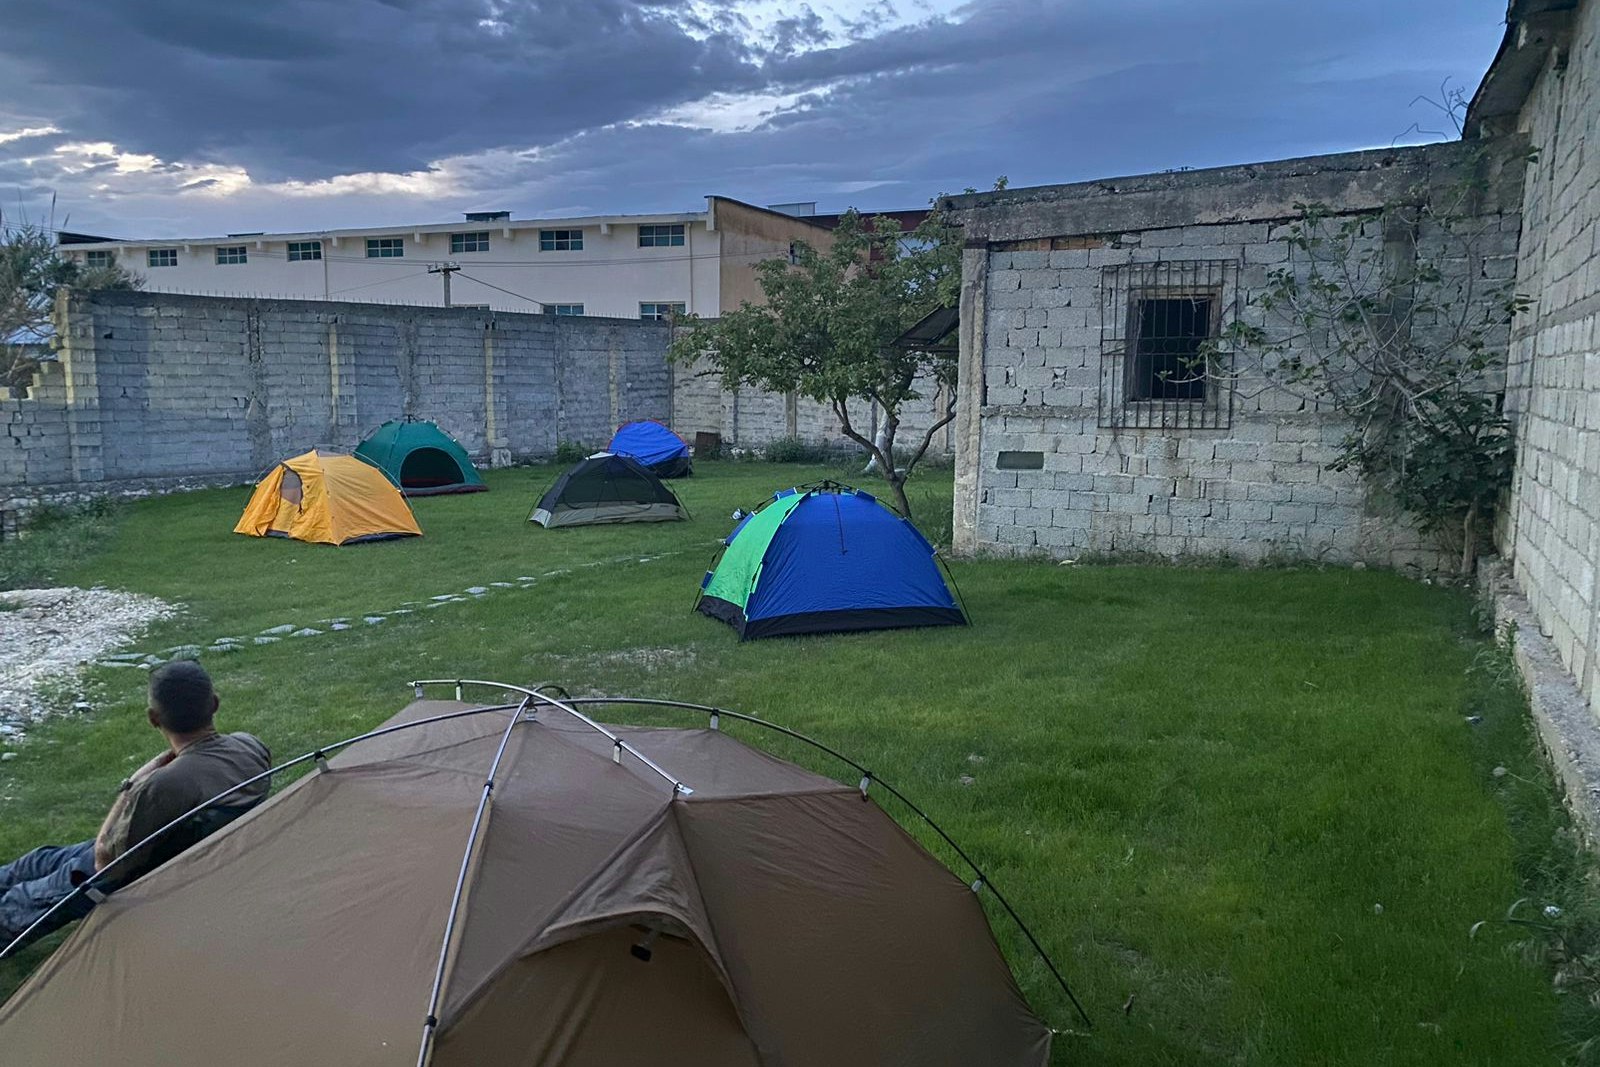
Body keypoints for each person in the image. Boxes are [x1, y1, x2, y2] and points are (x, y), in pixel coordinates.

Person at [0, 661, 270, 949]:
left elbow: (105, 862)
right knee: (40, 860)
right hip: (168, 850)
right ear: (214, 704)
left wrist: (131, 786)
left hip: (111, 875)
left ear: (153, 718)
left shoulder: (164, 784)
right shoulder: (249, 746)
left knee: (16, 903)